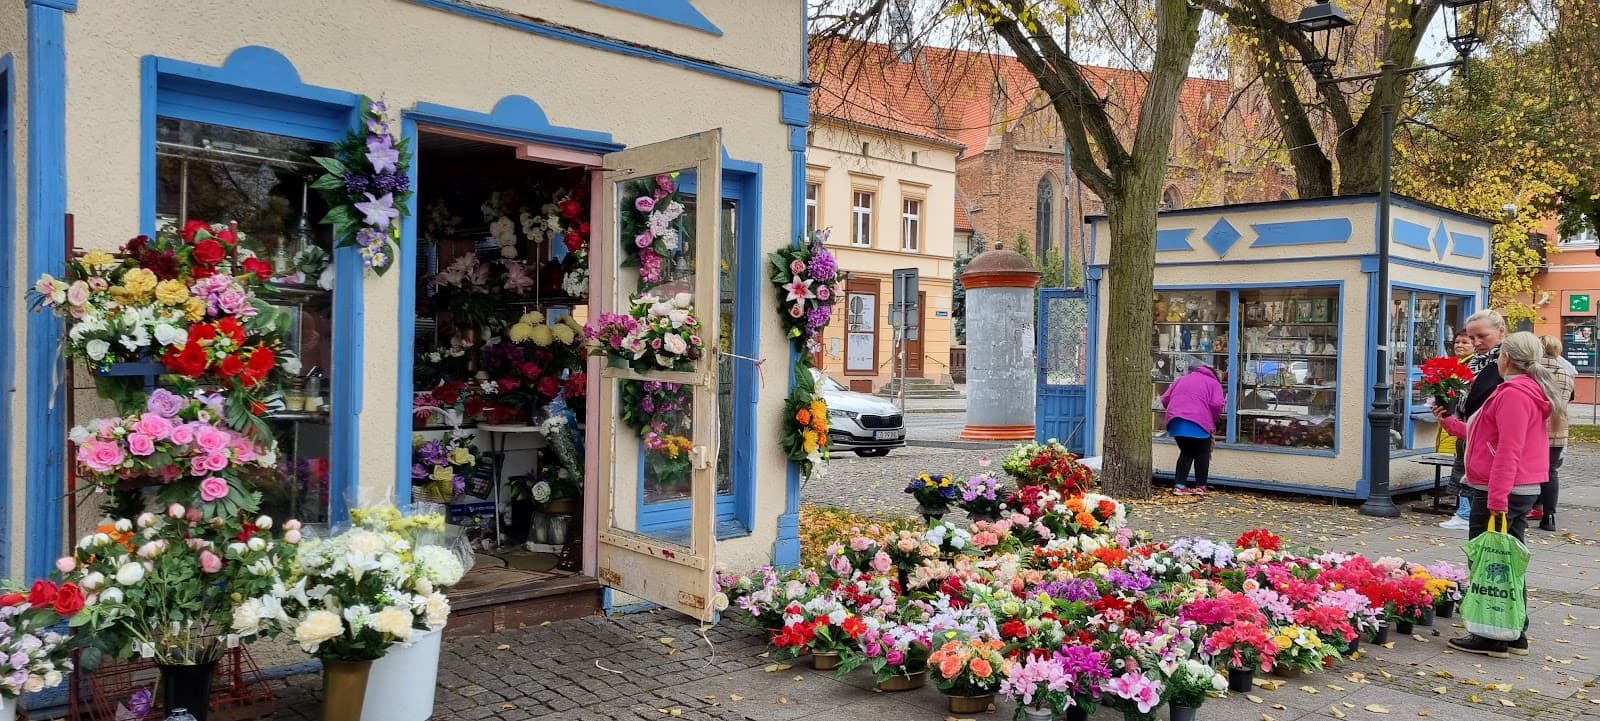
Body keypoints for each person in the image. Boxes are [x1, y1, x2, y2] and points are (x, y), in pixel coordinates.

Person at [1432, 331, 1564, 658]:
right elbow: (1485, 434)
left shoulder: (1515, 393)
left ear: (1506, 357)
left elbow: (1508, 449)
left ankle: (1492, 635)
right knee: (1505, 562)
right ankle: (1514, 630)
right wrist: (1449, 423)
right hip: (1504, 487)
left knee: (1490, 563)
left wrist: (1497, 498)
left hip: (1501, 489)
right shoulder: (1521, 390)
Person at [1442, 309, 1508, 530]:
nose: (1476, 342)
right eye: (1472, 338)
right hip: (1469, 432)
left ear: (1501, 331)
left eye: (1482, 336)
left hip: (1492, 441)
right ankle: (1465, 513)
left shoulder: (1506, 362)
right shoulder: (1474, 362)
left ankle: (1464, 514)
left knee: (1492, 526)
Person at [1527, 335, 1576, 531]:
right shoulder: (1566, 372)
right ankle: (1549, 516)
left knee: (1530, 470)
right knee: (1551, 471)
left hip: (1536, 427)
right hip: (1558, 426)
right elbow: (1570, 397)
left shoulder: (1533, 371)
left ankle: (1529, 507)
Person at [1160, 364, 1225, 496]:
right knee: (1203, 452)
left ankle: (1179, 486)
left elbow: (1165, 398)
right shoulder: (1213, 383)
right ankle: (1201, 486)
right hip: (1199, 421)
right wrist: (1212, 418)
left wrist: (1175, 410)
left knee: (1186, 452)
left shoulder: (1181, 379)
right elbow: (1217, 404)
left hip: (1176, 420)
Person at [1437, 329, 1475, 530]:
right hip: (1456, 424)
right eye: (1457, 342)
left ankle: (1465, 514)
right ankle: (1463, 511)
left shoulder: (1471, 366)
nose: (1459, 345)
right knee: (1461, 466)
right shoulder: (1454, 365)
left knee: (1464, 469)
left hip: (1464, 424)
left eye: (1465, 342)